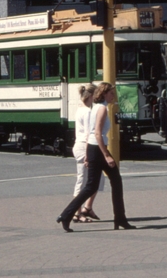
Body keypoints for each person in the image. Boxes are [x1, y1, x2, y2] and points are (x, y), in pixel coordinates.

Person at [56, 82, 135, 232]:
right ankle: (119, 219)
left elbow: (90, 133)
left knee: (96, 185)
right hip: (99, 149)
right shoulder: (102, 109)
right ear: (104, 94)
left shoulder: (94, 108)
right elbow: (97, 133)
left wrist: (88, 155)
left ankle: (66, 215)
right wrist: (106, 155)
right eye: (111, 93)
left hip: (93, 149)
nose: (114, 96)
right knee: (106, 183)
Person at [71, 83, 103, 223]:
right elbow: (89, 134)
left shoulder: (81, 109)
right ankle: (76, 213)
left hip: (84, 147)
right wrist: (88, 155)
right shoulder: (88, 112)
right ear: (91, 96)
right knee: (83, 181)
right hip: (85, 147)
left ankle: (87, 207)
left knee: (95, 179)